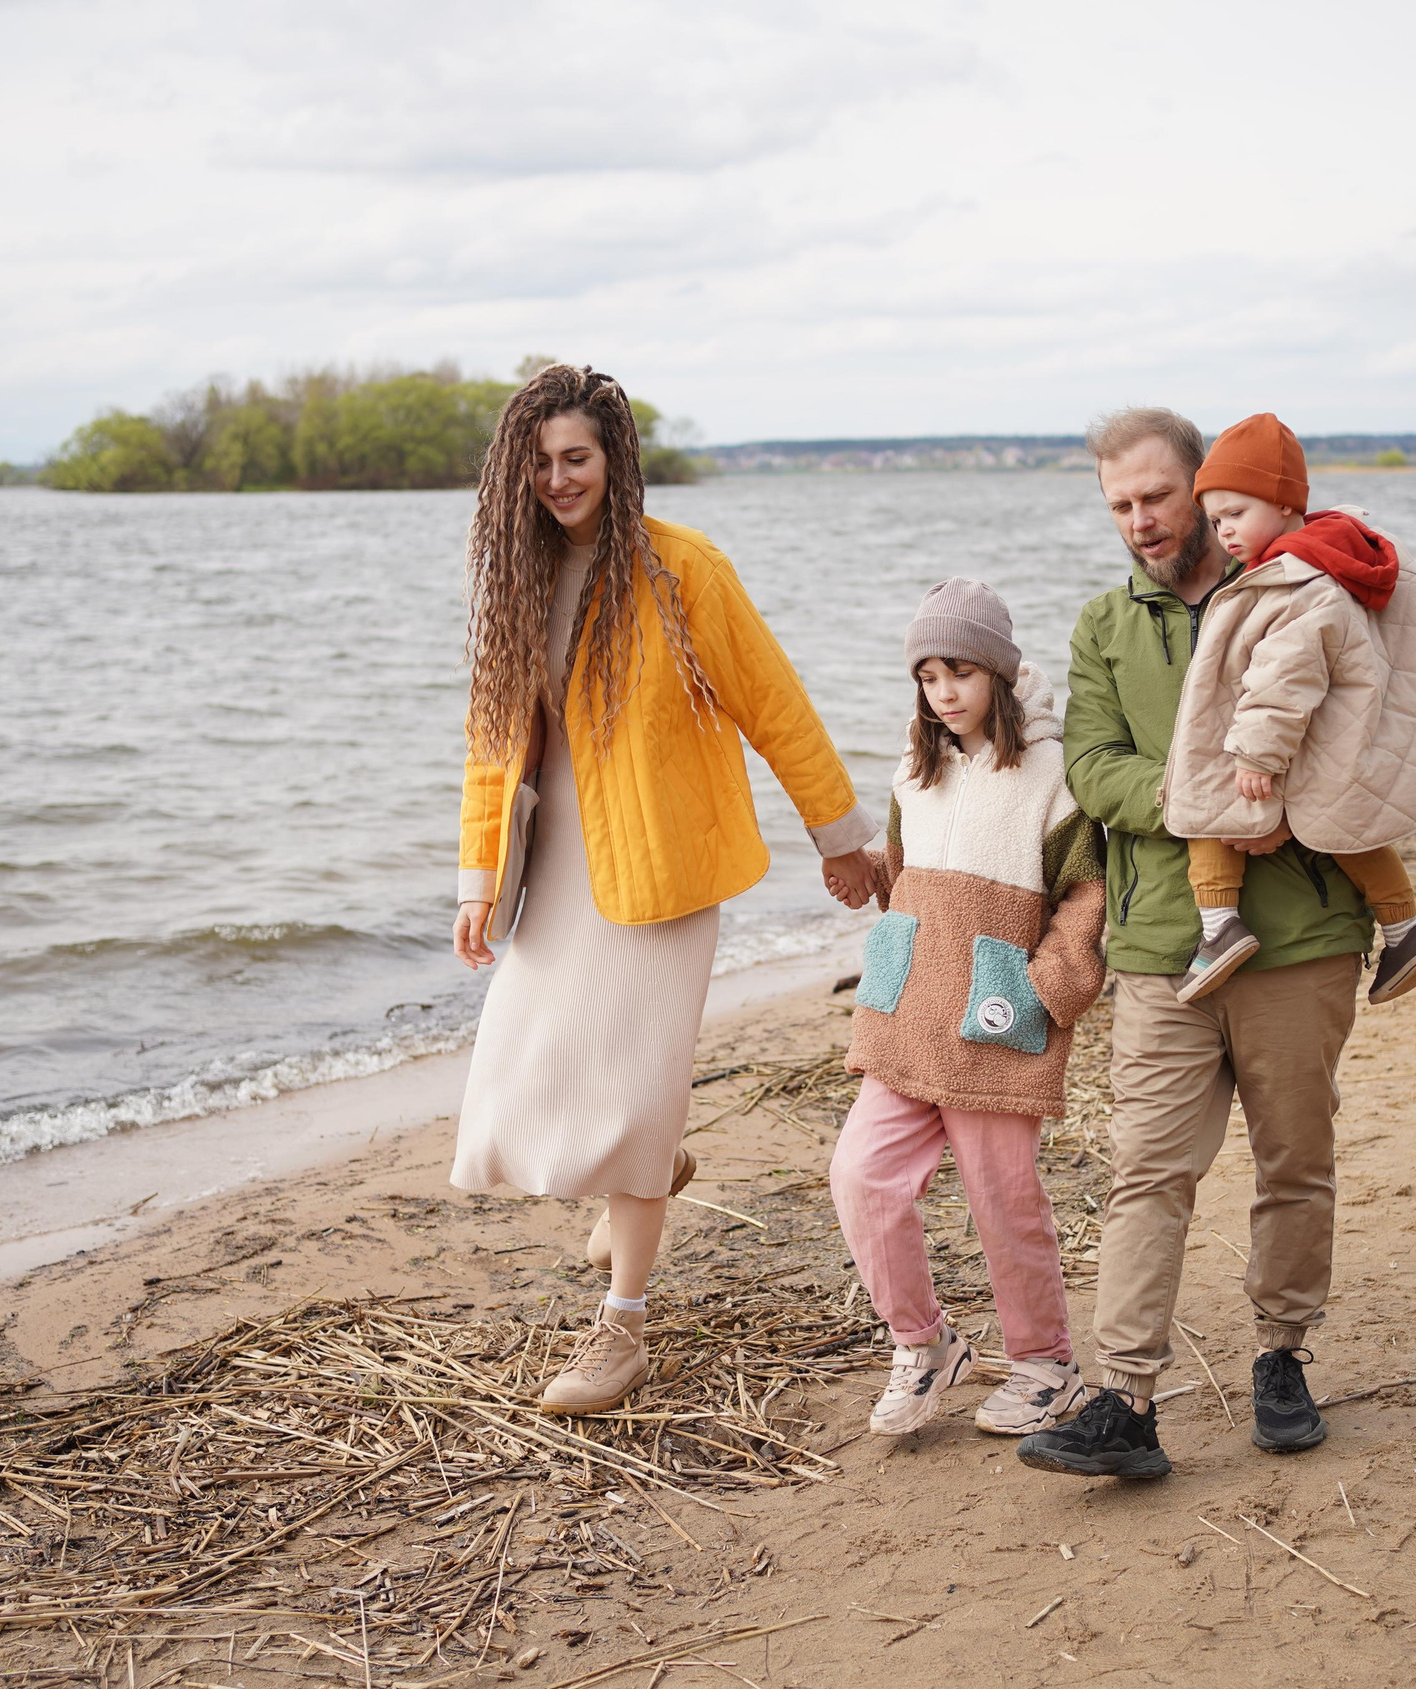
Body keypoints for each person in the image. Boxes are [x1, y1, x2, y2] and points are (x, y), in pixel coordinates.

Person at [450, 364, 875, 1416]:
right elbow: (491, 745)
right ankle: (652, 1158)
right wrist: (473, 878)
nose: (558, 479)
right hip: (551, 866)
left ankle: (622, 1330)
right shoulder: (519, 576)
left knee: (635, 1092)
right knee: (526, 1069)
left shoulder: (682, 570)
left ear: (614, 460)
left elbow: (775, 705)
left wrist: (844, 839)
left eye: (577, 459)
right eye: (540, 462)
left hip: (668, 862)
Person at [1017, 407, 1377, 1483]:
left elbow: (1368, 718)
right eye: (1118, 505)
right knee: (1145, 1173)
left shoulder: (1298, 591)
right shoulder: (1102, 628)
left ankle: (1281, 1360)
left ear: (1205, 489)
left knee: (1294, 1161)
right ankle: (1124, 1398)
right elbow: (1092, 765)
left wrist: (1289, 802)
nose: (1139, 522)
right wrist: (1204, 804)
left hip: (1300, 932)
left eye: (1157, 499)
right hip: (1158, 945)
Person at [829, 580, 1106, 1438]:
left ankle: (1044, 1364)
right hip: (907, 1017)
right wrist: (865, 871)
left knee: (1004, 1201)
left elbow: (1087, 896)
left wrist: (1045, 990)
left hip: (997, 1020)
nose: (943, 692)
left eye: (958, 671)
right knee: (861, 1177)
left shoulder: (1052, 776)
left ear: (998, 670)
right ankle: (924, 1345)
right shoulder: (919, 770)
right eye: (927, 676)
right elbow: (911, 878)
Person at [1159, 413, 1416, 1008]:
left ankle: (1219, 928)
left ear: (1284, 504)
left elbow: (1283, 679)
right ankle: (1404, 930)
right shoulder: (1345, 558)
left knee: (1206, 801)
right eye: (1215, 519)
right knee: (1352, 829)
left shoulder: (1294, 581)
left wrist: (1255, 755)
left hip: (1289, 741)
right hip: (1348, 739)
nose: (1223, 532)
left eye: (1236, 514)